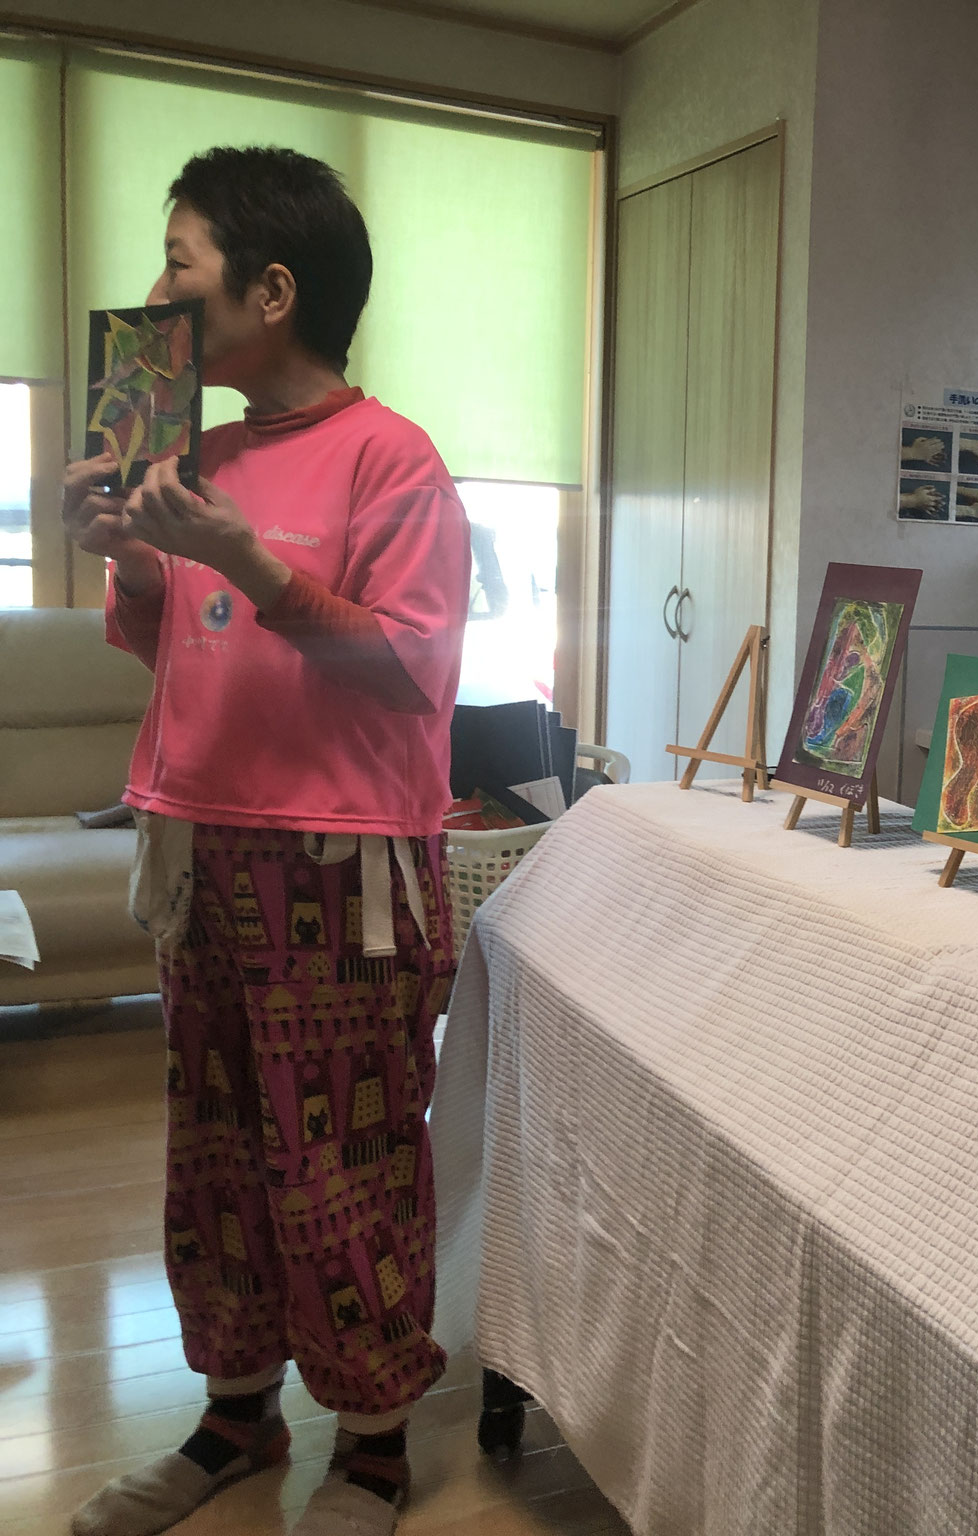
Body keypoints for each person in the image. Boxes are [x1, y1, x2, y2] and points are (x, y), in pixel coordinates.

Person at [61, 146, 470, 1536]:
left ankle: (372, 1447)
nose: (157, 288)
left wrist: (246, 559)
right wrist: (133, 559)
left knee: (344, 1162)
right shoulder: (199, 456)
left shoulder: (394, 459)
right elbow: (175, 643)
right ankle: (235, 1417)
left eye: (181, 262)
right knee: (220, 1154)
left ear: (272, 290)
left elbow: (409, 668)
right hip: (203, 850)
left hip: (343, 870)